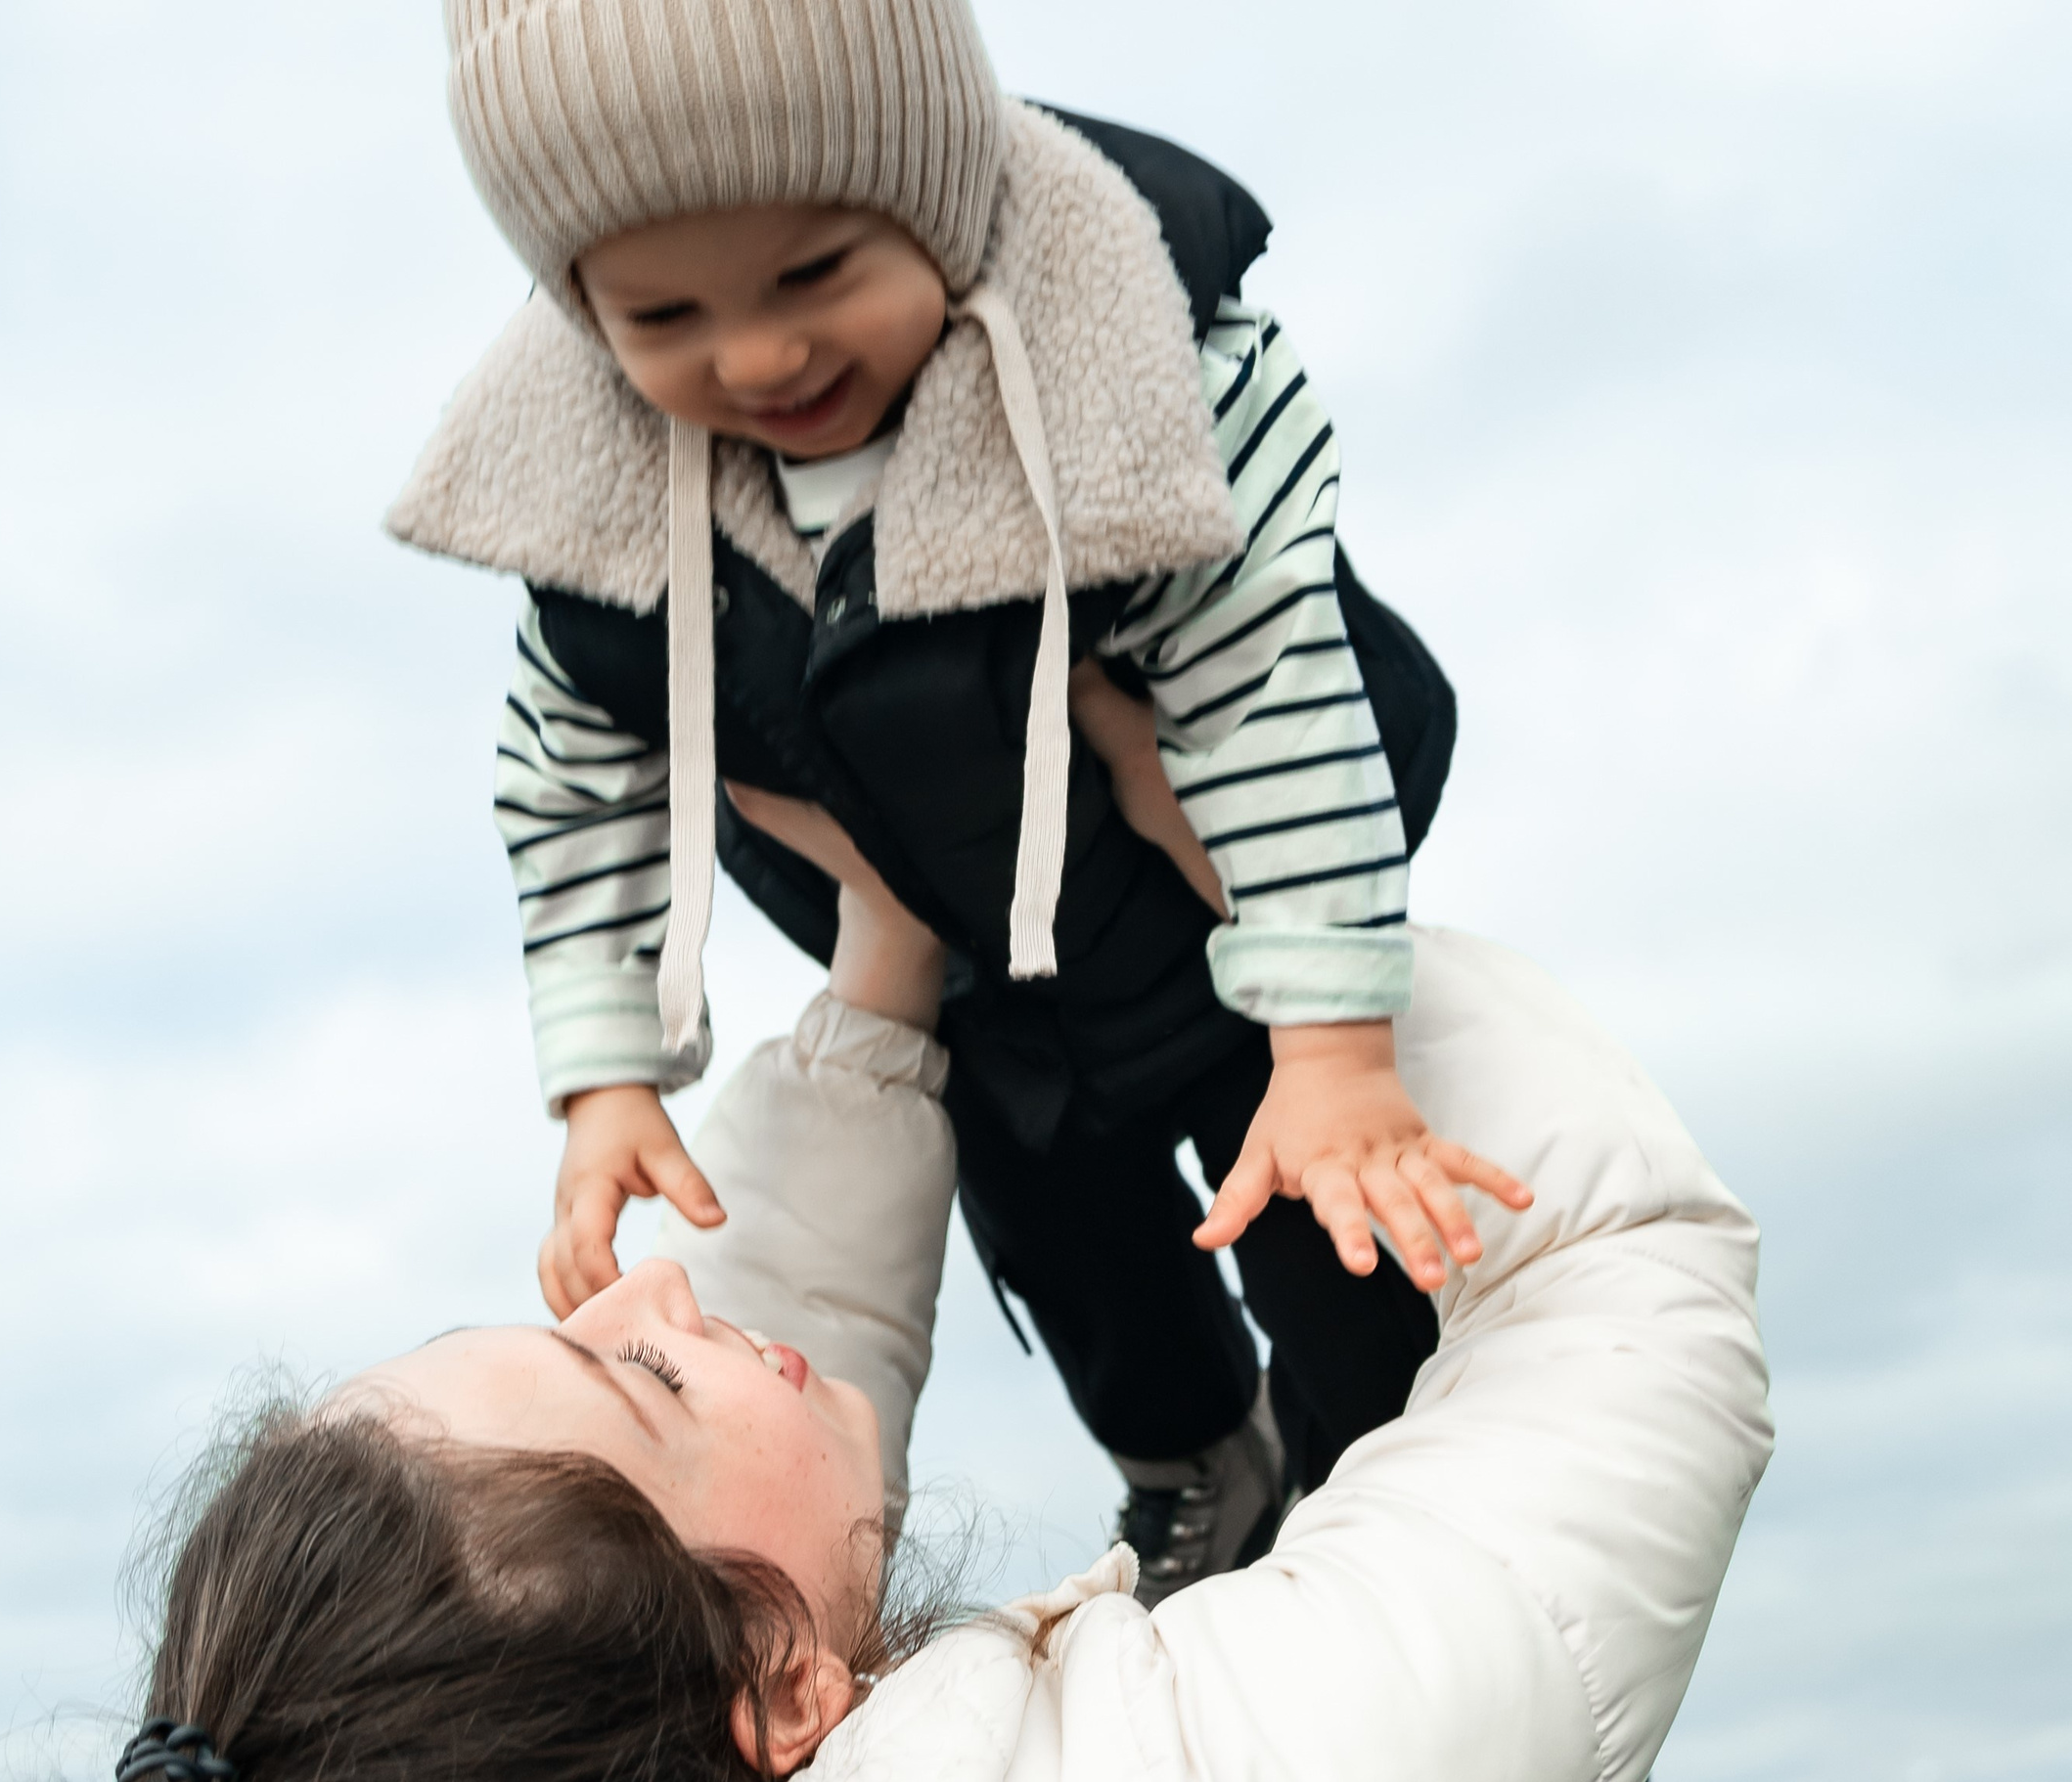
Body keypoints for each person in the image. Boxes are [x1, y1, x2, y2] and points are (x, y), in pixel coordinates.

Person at [388, 0, 1529, 1595]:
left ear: (937, 192)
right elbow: (574, 769)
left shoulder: (1137, 359)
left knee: (1330, 1237)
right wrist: (606, 1079)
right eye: (663, 317)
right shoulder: (597, 474)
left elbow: (1269, 670)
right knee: (1071, 1254)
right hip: (978, 957)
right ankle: (1198, 1461)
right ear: (579, 312)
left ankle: (1376, 1508)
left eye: (816, 275)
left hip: (1210, 913)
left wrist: (1329, 1039)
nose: (761, 355)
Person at [122, 927, 1774, 1780]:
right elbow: (1624, 1318)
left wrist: (883, 980)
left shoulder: (737, 1696)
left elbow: (783, 1466)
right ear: (775, 1693)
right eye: (636, 1371)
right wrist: (1309, 971)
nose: (650, 1289)